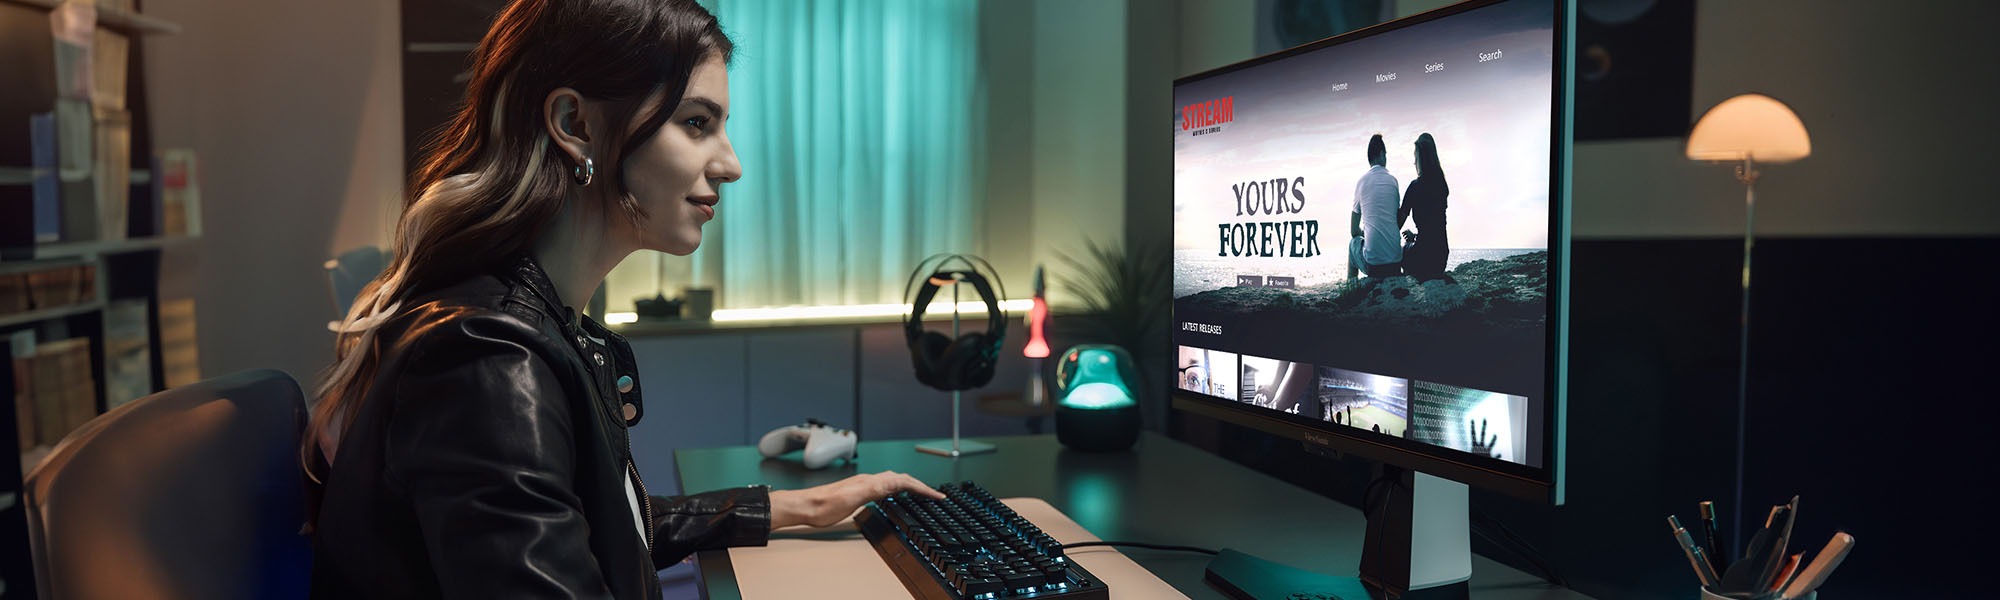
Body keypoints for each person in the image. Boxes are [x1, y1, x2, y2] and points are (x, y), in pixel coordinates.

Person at [302, 2, 941, 598]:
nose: (731, 164)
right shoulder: (489, 362)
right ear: (574, 125)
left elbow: (596, 526)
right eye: (696, 124)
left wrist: (797, 506)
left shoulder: (527, 325)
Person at [1349, 134, 1403, 280]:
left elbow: (1354, 231)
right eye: (1385, 154)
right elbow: (1394, 219)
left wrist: (1366, 235)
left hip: (1374, 266)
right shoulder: (1393, 181)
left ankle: (1351, 288)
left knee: (1353, 244)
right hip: (1396, 263)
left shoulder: (1361, 182)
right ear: (1381, 154)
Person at [1399, 133, 1451, 280]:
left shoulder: (1415, 187)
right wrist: (1415, 236)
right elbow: (1434, 228)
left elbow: (1398, 223)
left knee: (1404, 250)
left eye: (1415, 157)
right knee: (1413, 244)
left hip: (1422, 259)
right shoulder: (1442, 184)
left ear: (1420, 158)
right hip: (1440, 259)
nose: (1414, 162)